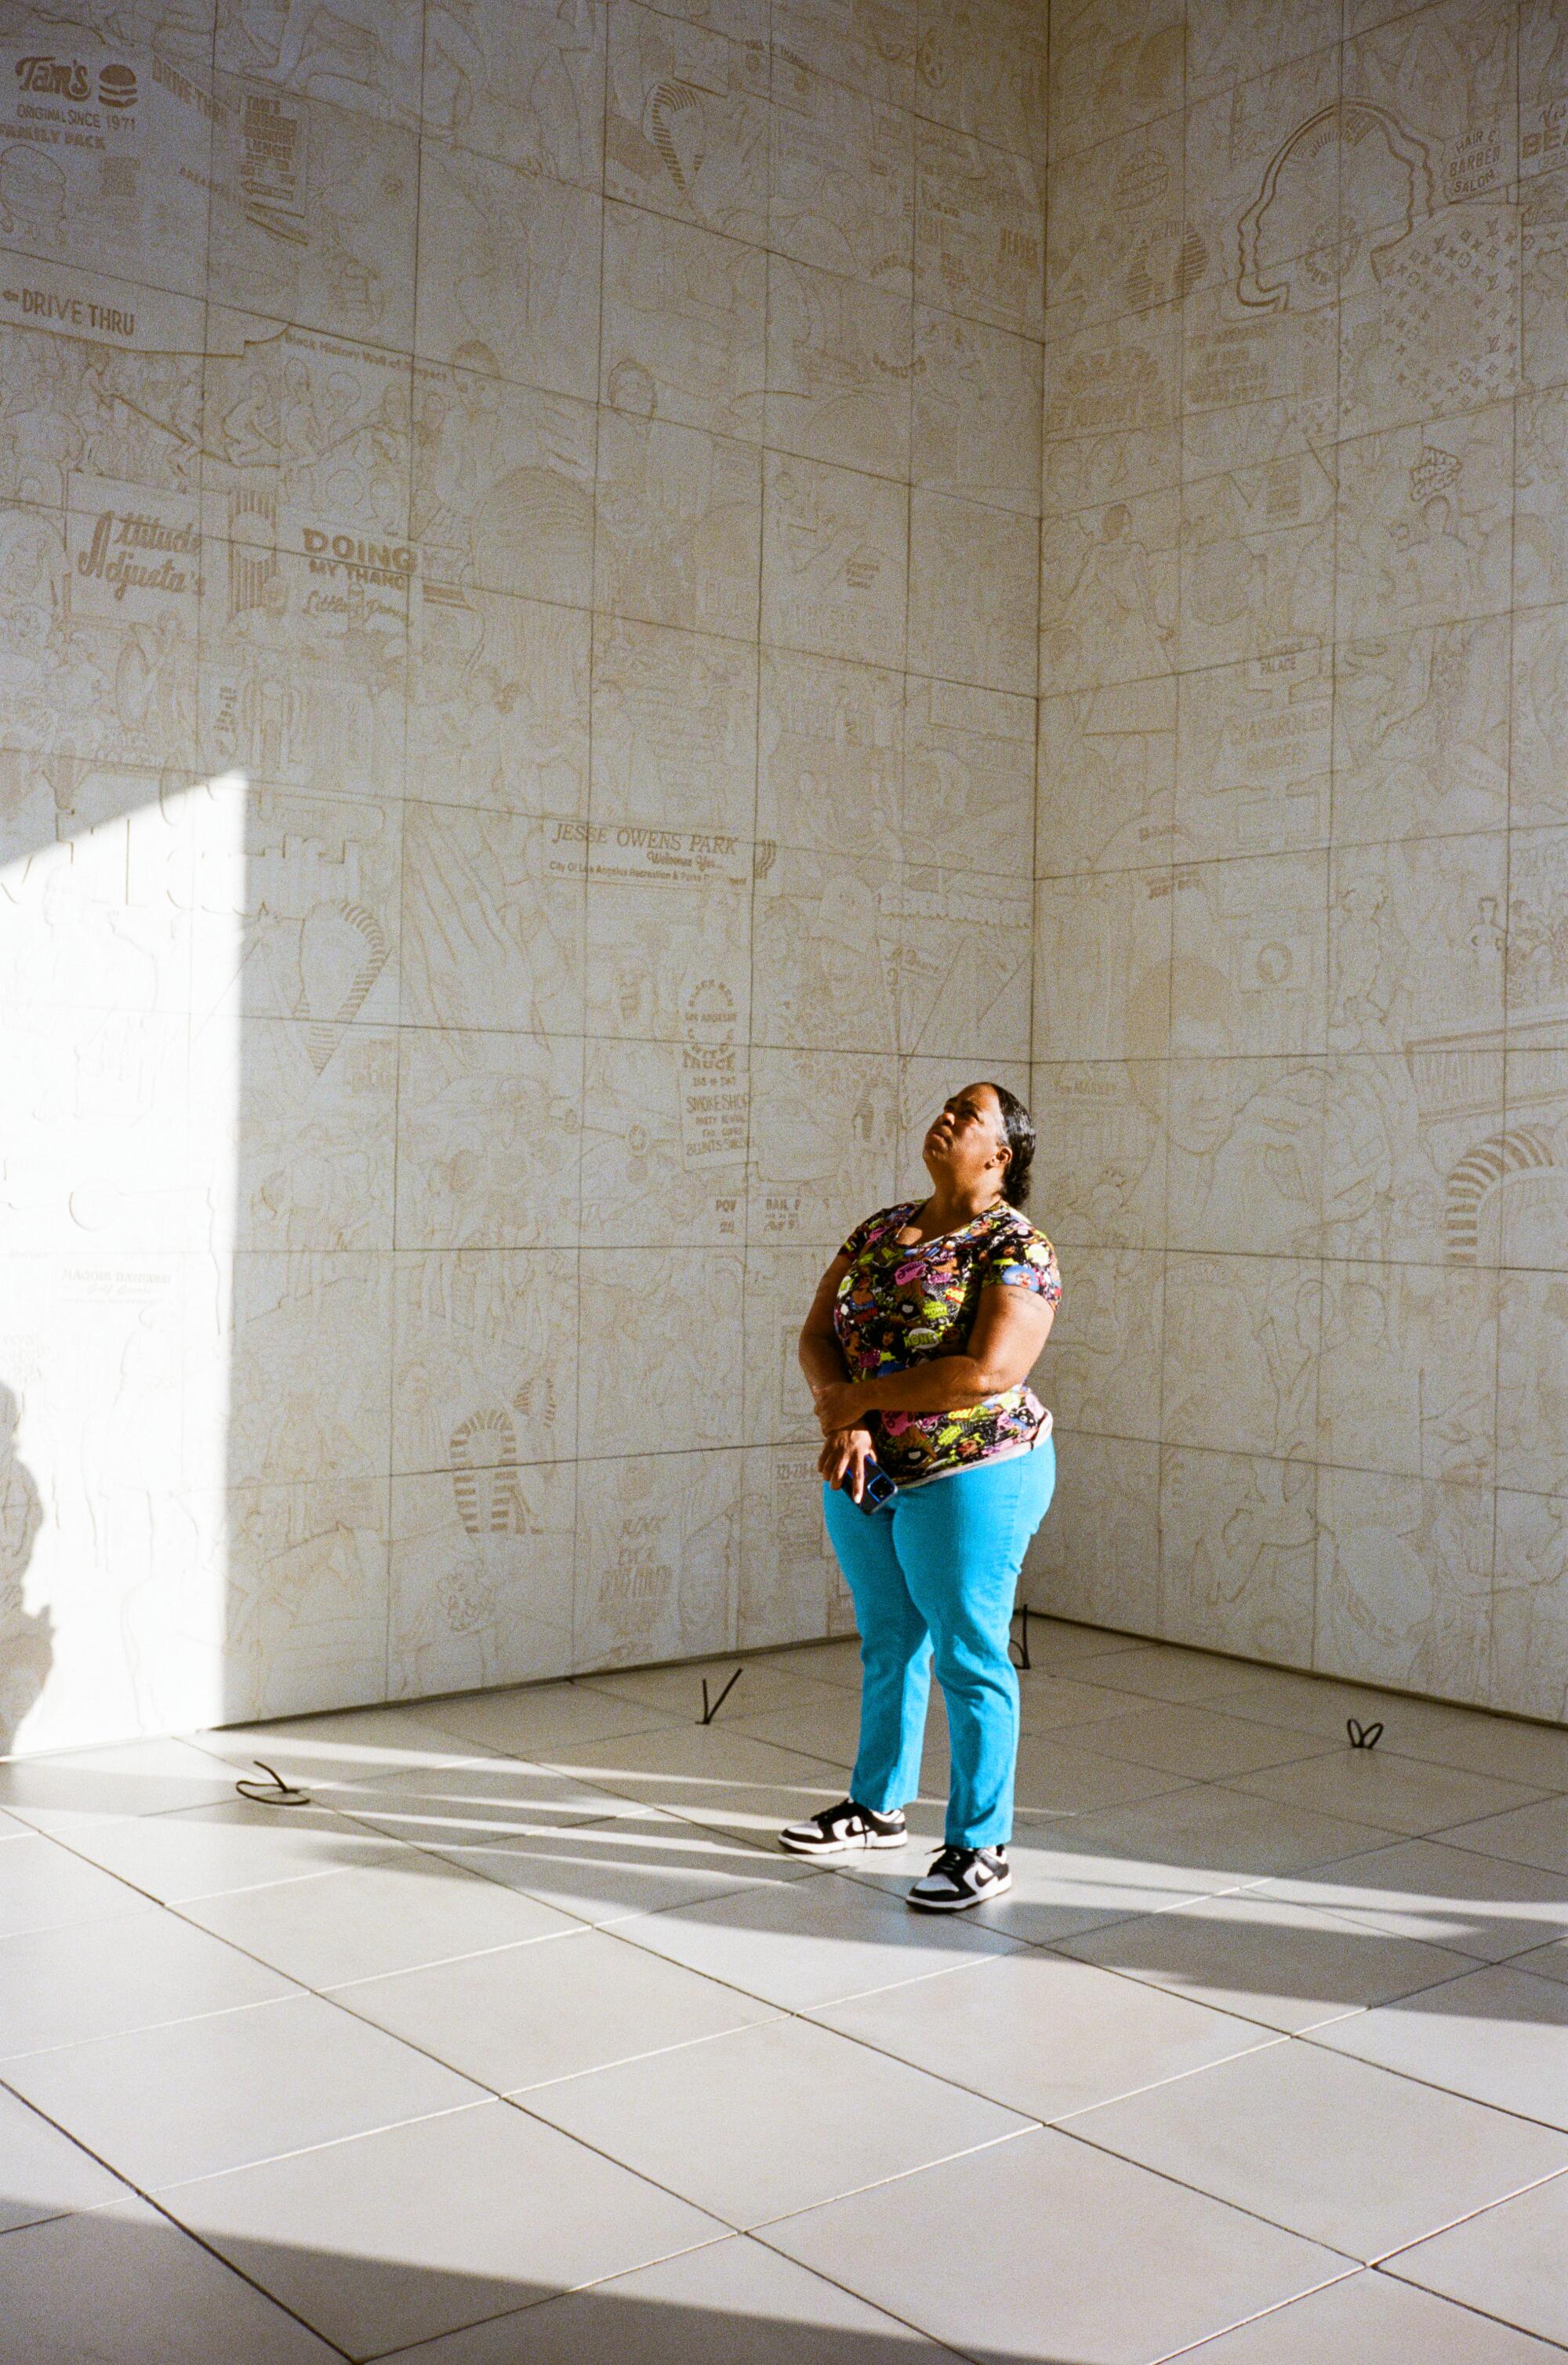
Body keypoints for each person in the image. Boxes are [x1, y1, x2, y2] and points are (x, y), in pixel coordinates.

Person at [781, 1082, 1061, 1910]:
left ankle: (980, 1845)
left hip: (974, 1472)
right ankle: (876, 1806)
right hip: (867, 1465)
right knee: (890, 1637)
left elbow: (989, 1372)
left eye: (964, 1114)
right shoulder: (879, 1229)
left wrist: (860, 1404)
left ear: (999, 1154)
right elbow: (818, 1334)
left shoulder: (1016, 1248)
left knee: (968, 1652)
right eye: (943, 1106)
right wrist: (849, 1421)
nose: (943, 1118)